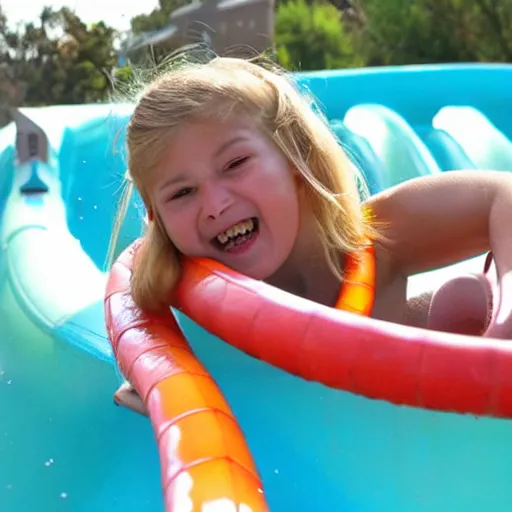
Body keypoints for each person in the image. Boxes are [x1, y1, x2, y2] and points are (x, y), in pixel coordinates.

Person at [110, 50, 512, 415]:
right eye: (182, 192)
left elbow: (501, 195)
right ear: (156, 219)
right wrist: (164, 378)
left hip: (443, 414)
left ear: (294, 157)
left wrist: (506, 314)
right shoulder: (188, 312)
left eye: (235, 164)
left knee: (467, 301)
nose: (215, 206)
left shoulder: (377, 240)